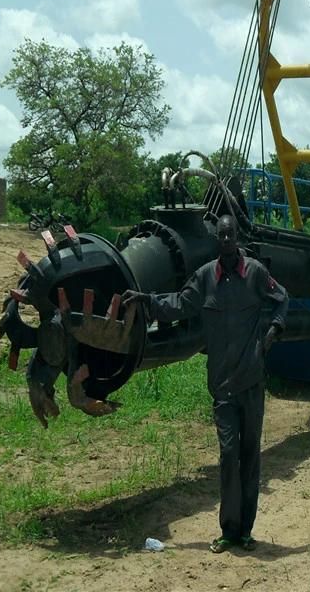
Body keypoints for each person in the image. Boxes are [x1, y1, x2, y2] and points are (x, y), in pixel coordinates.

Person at [122, 214, 288, 554]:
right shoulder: (205, 277)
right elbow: (180, 304)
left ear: (237, 237)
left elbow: (282, 298)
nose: (226, 239)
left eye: (231, 234)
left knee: (249, 456)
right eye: (221, 235)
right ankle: (229, 531)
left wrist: (274, 331)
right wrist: (146, 301)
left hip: (252, 383)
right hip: (223, 387)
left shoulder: (254, 272)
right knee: (228, 456)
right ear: (217, 240)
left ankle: (246, 532)